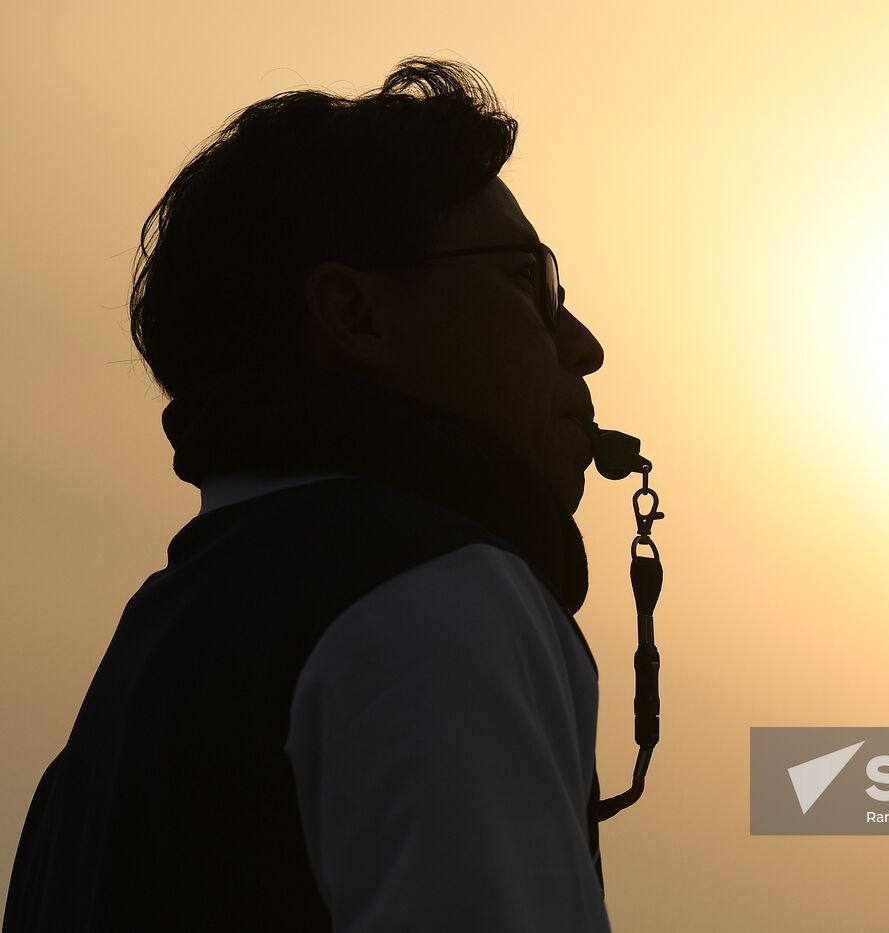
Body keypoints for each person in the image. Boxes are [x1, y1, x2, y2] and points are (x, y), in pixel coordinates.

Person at [3, 56, 614, 931]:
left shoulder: (111, 721)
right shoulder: (435, 599)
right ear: (358, 316)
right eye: (528, 281)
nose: (583, 344)